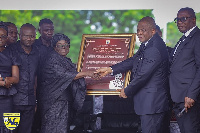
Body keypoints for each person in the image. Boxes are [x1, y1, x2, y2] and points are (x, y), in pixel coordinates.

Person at [96, 17, 170, 133]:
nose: (139, 33)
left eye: (143, 30)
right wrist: (110, 69)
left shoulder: (154, 48)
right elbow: (133, 60)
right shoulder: (148, 44)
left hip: (152, 104)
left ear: (153, 31)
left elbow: (143, 75)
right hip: (149, 104)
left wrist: (127, 90)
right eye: (138, 30)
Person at [38, 33, 97, 133]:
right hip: (54, 103)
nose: (64, 47)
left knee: (63, 129)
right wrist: (88, 73)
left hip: (64, 101)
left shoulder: (65, 60)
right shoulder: (51, 59)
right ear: (54, 47)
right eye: (60, 45)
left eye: (66, 45)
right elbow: (66, 75)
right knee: (53, 129)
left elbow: (75, 70)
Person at [169, 7, 200, 133]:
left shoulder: (197, 37)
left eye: (184, 19)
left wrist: (192, 94)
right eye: (177, 19)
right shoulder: (183, 38)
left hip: (188, 98)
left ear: (193, 20)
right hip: (178, 96)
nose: (179, 22)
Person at [11, 23, 39, 133]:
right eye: (26, 36)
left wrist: (35, 101)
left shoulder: (37, 53)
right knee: (10, 130)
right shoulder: (12, 50)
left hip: (30, 101)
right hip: (13, 101)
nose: (29, 39)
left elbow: (36, 77)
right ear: (19, 35)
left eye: (32, 36)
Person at [31, 18, 54, 133]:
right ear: (39, 30)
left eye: (51, 30)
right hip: (35, 86)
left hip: (52, 89)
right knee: (35, 121)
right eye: (46, 30)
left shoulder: (55, 45)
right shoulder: (33, 45)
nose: (49, 32)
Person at [0, 22, 20, 132]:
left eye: (3, 36)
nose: (1, 38)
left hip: (6, 97)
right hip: (5, 86)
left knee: (8, 126)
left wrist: (5, 80)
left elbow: (16, 78)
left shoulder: (12, 52)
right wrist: (3, 82)